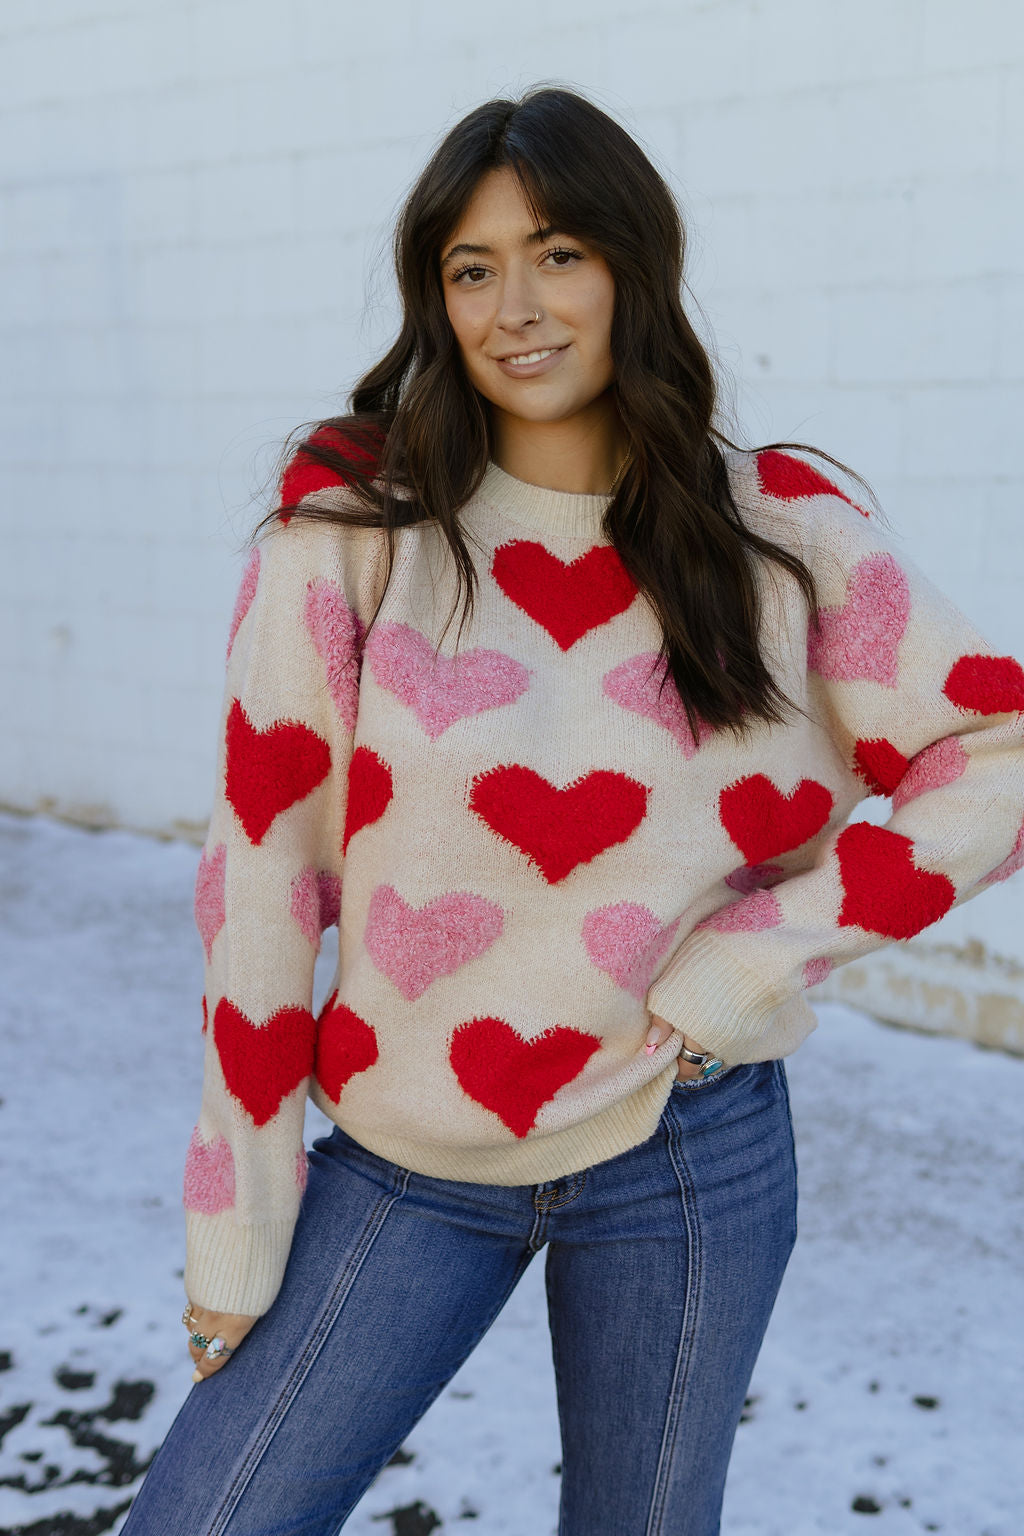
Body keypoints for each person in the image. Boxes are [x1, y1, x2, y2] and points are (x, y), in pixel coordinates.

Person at [120, 85, 1024, 1536]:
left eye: (557, 253)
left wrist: (755, 958)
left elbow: (998, 743)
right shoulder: (352, 530)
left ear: (630, 266)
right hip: (410, 1157)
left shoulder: (772, 525)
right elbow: (263, 874)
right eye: (471, 269)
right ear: (435, 297)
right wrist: (239, 1199)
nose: (515, 306)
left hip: (691, 1144)